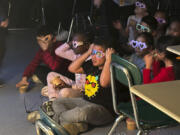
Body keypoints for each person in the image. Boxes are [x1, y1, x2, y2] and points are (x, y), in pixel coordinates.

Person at [51, 38, 128, 135]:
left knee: (82, 113)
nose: (94, 57)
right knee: (58, 102)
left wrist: (109, 61)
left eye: (98, 54)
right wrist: (88, 52)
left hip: (104, 110)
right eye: (93, 53)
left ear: (108, 55)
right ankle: (78, 125)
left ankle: (56, 119)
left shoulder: (113, 68)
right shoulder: (91, 65)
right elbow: (72, 68)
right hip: (85, 101)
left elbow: (104, 83)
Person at [16, 25, 72, 92]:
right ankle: (53, 85)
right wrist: (24, 78)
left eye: (45, 40)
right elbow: (33, 64)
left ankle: (56, 87)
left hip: (67, 75)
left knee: (51, 74)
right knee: (37, 69)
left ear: (53, 39)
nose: (42, 44)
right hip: (55, 74)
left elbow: (55, 67)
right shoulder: (41, 51)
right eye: (40, 41)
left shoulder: (60, 47)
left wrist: (46, 50)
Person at [46, 33, 90, 100]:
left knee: (65, 92)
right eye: (72, 43)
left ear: (87, 45)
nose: (73, 47)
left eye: (75, 44)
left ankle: (58, 98)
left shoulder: (91, 60)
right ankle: (53, 100)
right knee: (51, 75)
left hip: (84, 91)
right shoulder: (77, 55)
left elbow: (85, 87)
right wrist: (70, 43)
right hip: (75, 85)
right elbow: (58, 51)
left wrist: (69, 86)